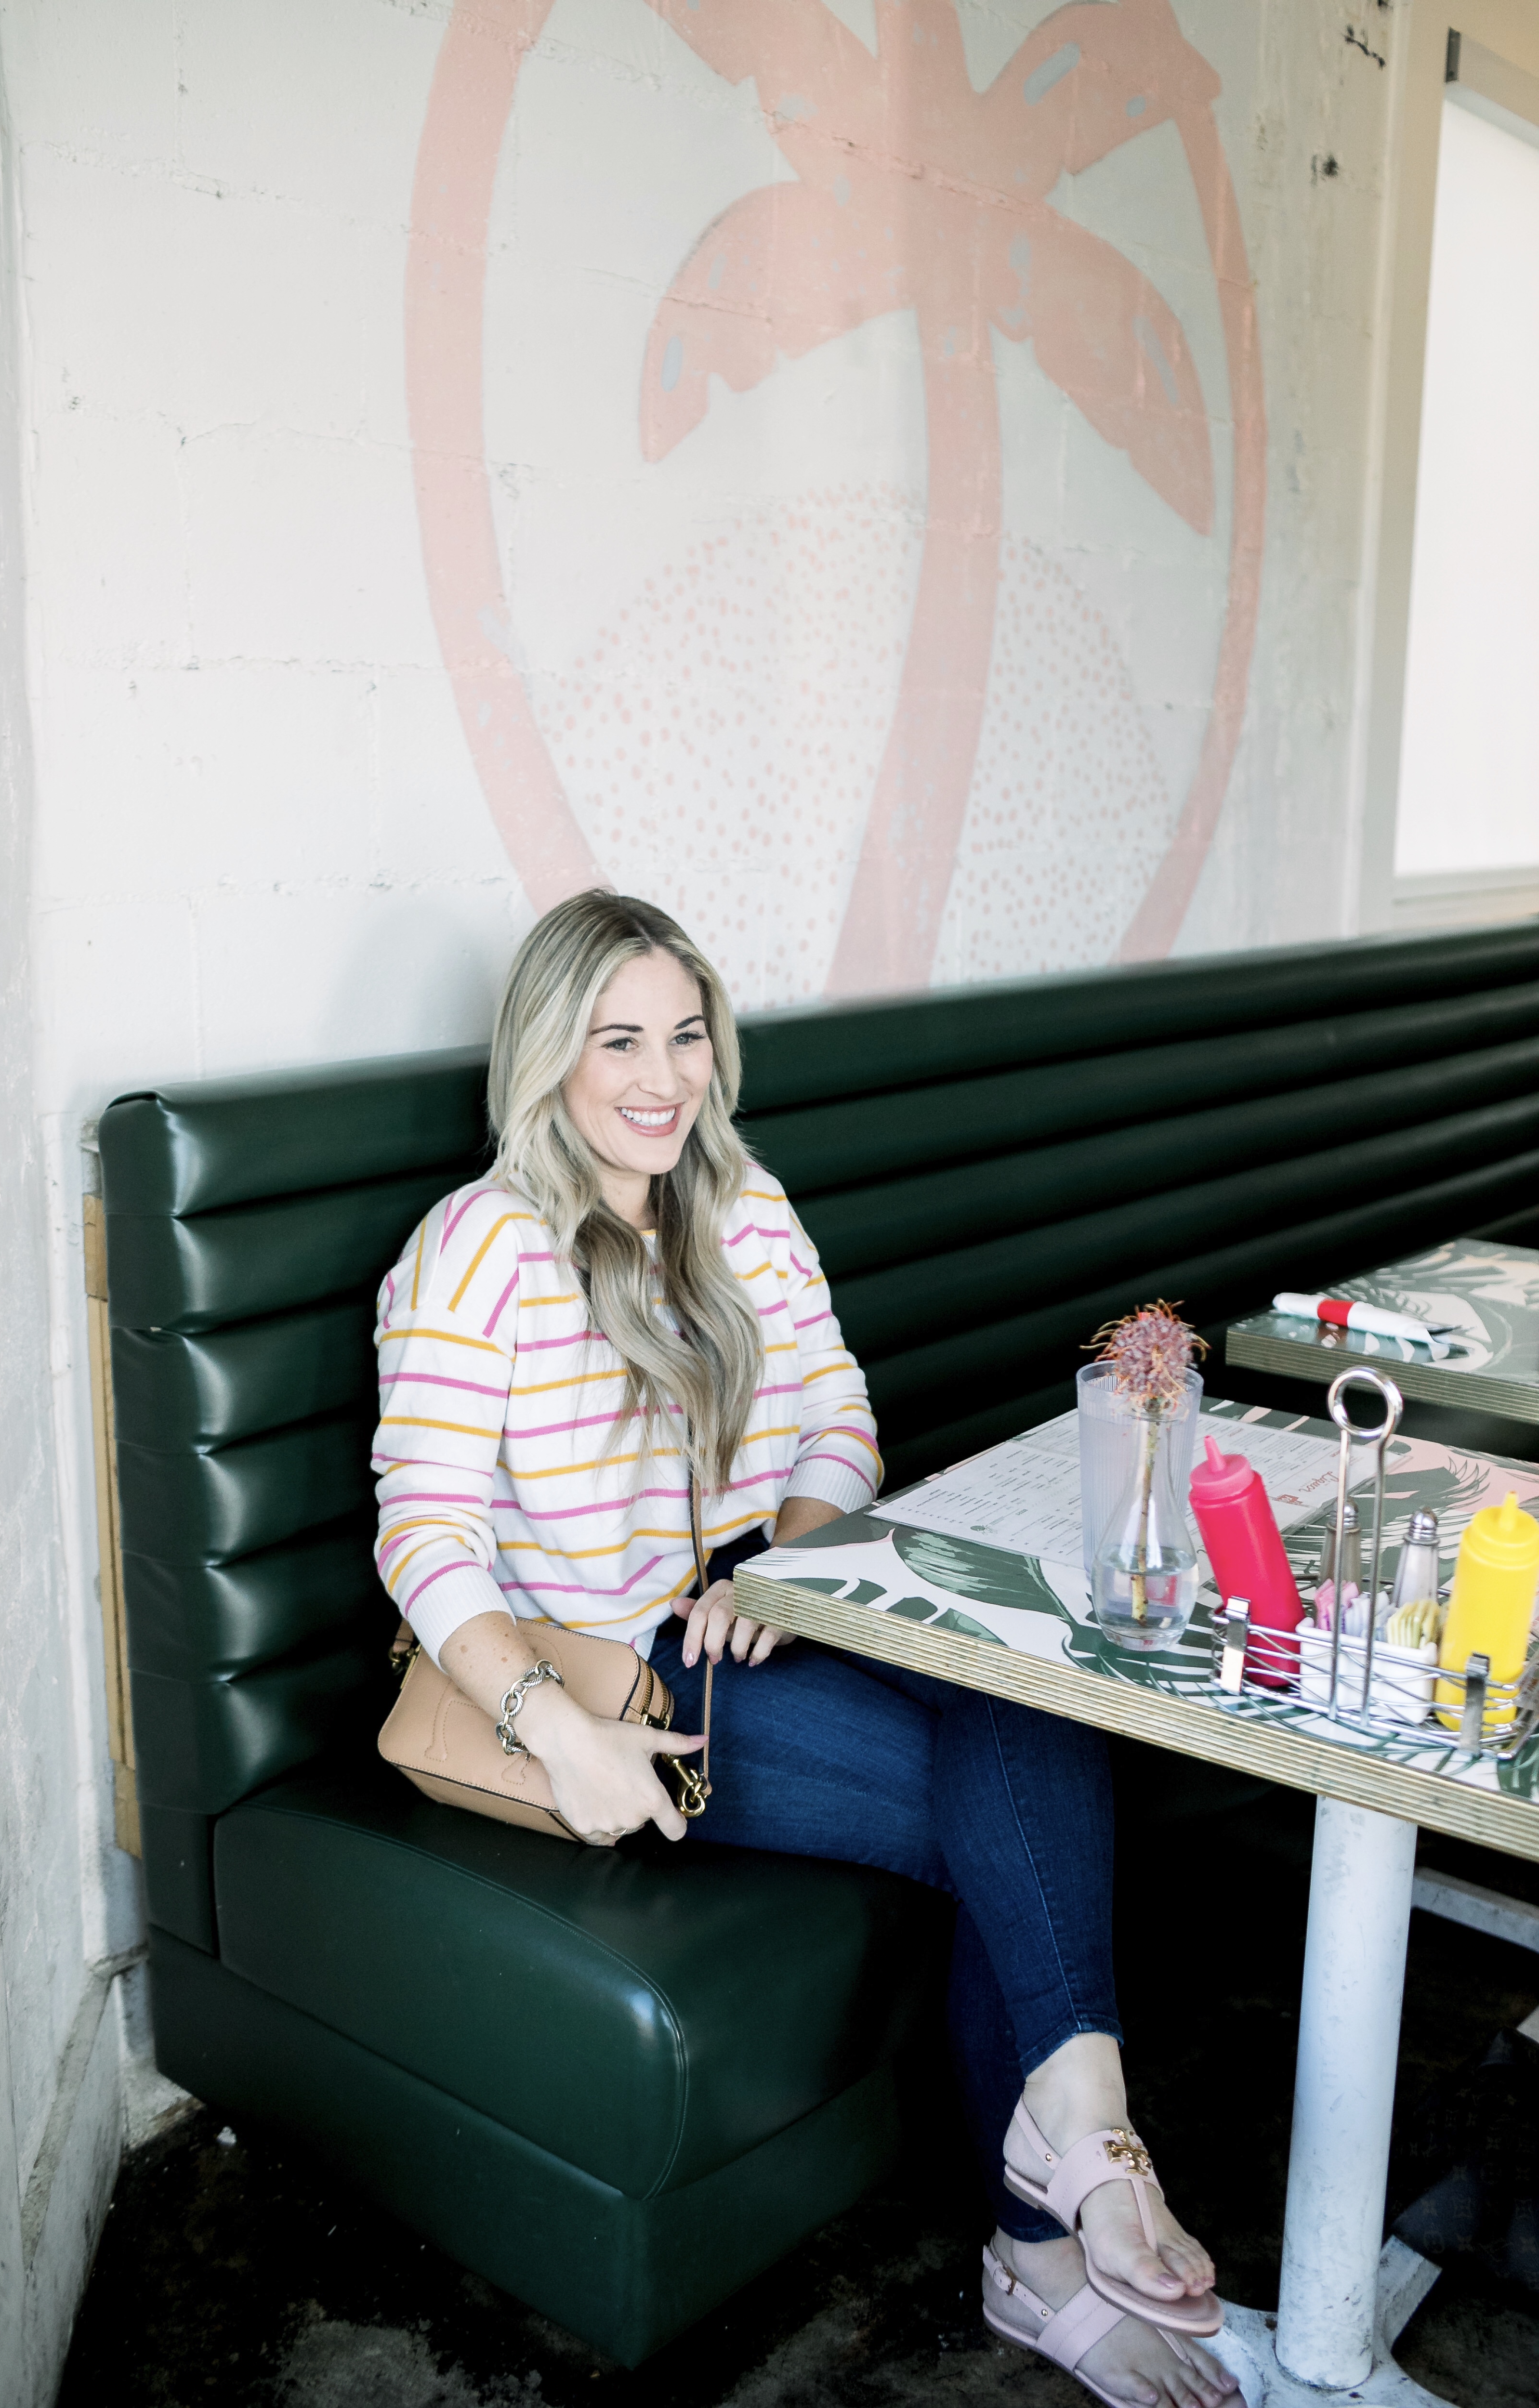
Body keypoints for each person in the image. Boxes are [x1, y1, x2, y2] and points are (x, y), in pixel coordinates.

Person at [372, 891, 1244, 2408]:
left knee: (1024, 1686)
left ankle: (1067, 2172)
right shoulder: (481, 1247)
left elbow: (842, 1416)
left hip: (784, 1605)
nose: (660, 1077)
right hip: (628, 1666)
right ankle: (1058, 2220)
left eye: (686, 1035)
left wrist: (783, 1552)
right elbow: (422, 1532)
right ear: (548, 1057)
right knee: (1014, 1813)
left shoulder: (741, 1204)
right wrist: (556, 1730)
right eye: (617, 1040)